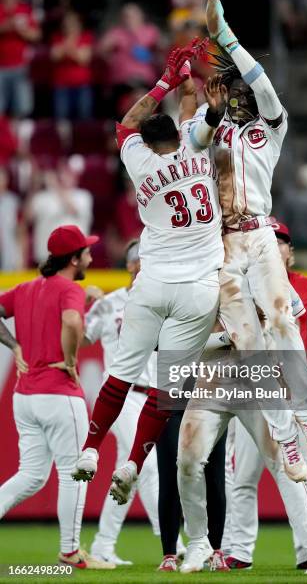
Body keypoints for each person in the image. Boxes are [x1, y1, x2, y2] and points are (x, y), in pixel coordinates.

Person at [175, 0, 307, 574]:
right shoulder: (215, 133)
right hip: (222, 244)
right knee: (251, 346)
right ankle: (287, 433)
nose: (239, 96)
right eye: (232, 92)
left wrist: (230, 40)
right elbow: (189, 140)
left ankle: (306, 418)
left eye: (239, 91)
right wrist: (210, 112)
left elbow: (266, 89)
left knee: (283, 318)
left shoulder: (272, 126)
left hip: (261, 233)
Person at [71, 40, 225, 490]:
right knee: (166, 387)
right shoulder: (196, 149)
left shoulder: (138, 161)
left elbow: (127, 124)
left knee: (119, 377)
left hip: (152, 281)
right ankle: (134, 465)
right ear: (180, 136)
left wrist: (166, 80)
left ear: (148, 142)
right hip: (198, 288)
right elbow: (198, 115)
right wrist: (191, 83)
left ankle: (90, 450)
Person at [225, 220, 307, 572]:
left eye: (281, 241)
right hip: (251, 391)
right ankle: (240, 552)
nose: (275, 246)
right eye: (268, 240)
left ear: (291, 251)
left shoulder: (305, 287)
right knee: (243, 476)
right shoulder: (241, 287)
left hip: (292, 393)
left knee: (298, 473)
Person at [0, 225, 114, 569]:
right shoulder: (68, 289)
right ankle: (70, 551)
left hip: (26, 396)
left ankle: (69, 549)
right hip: (59, 392)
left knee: (32, 474)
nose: (91, 257)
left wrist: (15, 344)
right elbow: (70, 322)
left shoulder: (27, 287)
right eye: (87, 252)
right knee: (73, 472)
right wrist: (69, 358)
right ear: (74, 258)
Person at [83, 240, 161, 565]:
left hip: (153, 397)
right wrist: (82, 299)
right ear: (131, 266)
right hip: (121, 396)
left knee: (128, 471)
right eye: (143, 259)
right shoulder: (110, 303)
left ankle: (103, 544)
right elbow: (81, 335)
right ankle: (173, 542)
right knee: (147, 465)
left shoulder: (162, 303)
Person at [25, 164, 93, 264]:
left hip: (74, 256)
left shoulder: (83, 196)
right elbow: (27, 218)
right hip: (47, 256)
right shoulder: (42, 196)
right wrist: (34, 187)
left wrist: (55, 186)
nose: (65, 177)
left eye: (69, 174)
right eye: (63, 174)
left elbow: (73, 210)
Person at [0, 0, 40, 117]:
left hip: (20, 66)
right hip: (0, 66)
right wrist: (6, 27)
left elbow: (36, 34)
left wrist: (23, 31)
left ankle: (18, 138)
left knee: (23, 107)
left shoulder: (25, 9)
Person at [50, 11, 94, 120]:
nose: (70, 27)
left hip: (82, 84)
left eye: (72, 24)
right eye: (67, 24)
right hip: (61, 84)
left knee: (84, 116)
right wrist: (72, 47)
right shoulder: (57, 37)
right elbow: (54, 57)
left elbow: (84, 59)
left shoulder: (86, 37)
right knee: (61, 117)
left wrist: (67, 48)